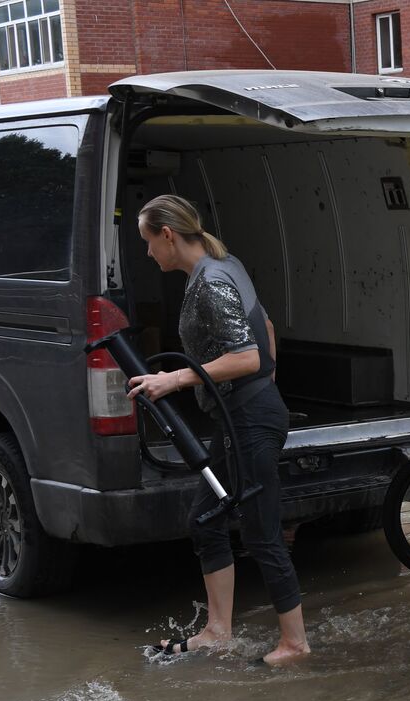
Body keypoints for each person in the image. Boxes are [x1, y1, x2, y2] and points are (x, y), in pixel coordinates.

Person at [127, 194, 309, 666]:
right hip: (239, 414)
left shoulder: (211, 281)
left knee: (261, 531)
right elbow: (264, 328)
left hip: (250, 418)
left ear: (168, 235)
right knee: (205, 520)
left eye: (149, 241)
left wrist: (175, 378)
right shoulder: (221, 266)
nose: (148, 253)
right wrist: (264, 383)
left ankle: (295, 644)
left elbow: (247, 354)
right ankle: (217, 631)